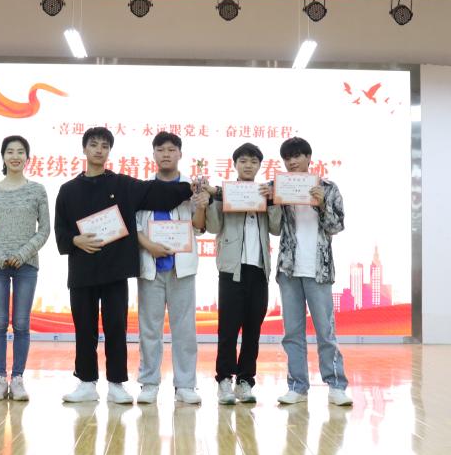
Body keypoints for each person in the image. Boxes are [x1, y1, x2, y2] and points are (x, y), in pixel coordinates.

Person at [55, 127, 194, 405]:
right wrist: (75, 240)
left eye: (104, 146)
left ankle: (116, 383)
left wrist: (193, 187)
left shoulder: (122, 185)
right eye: (93, 145)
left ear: (109, 151)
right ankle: (86, 382)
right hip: (82, 270)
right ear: (84, 149)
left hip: (115, 271)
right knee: (84, 328)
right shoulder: (68, 190)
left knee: (116, 327)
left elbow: (159, 193)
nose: (99, 150)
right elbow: (60, 230)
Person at [273, 137, 353, 407]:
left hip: (318, 269)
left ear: (309, 158)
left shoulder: (328, 188)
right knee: (292, 333)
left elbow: (336, 227)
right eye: (287, 158)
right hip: (289, 270)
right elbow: (258, 205)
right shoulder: (279, 188)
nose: (292, 162)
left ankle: (336, 385)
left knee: (325, 331)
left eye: (297, 156)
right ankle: (297, 386)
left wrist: (321, 205)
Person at [203, 143, 282, 405]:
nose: (248, 166)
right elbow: (213, 227)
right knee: (228, 329)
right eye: (243, 161)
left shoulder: (265, 192)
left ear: (260, 166)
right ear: (234, 164)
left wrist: (273, 201)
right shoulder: (225, 193)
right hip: (231, 270)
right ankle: (224, 380)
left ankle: (245, 381)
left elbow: (276, 229)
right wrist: (214, 201)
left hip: (259, 270)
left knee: (252, 330)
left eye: (253, 162)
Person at [135, 132, 207, 406]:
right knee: (149, 329)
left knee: (185, 329)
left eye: (171, 149)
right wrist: (149, 246)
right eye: (160, 149)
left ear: (180, 153)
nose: (166, 154)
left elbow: (198, 227)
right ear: (153, 154)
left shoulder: (192, 187)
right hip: (151, 266)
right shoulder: (142, 189)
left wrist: (201, 206)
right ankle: (149, 383)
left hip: (181, 268)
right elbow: (134, 226)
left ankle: (185, 385)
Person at [0, 135, 51, 402]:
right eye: (10, 151)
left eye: (21, 152)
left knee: (21, 324)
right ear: (3, 156)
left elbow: (44, 229)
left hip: (26, 265)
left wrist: (22, 254)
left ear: (27, 158)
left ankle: (17, 378)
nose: (15, 156)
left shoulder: (37, 190)